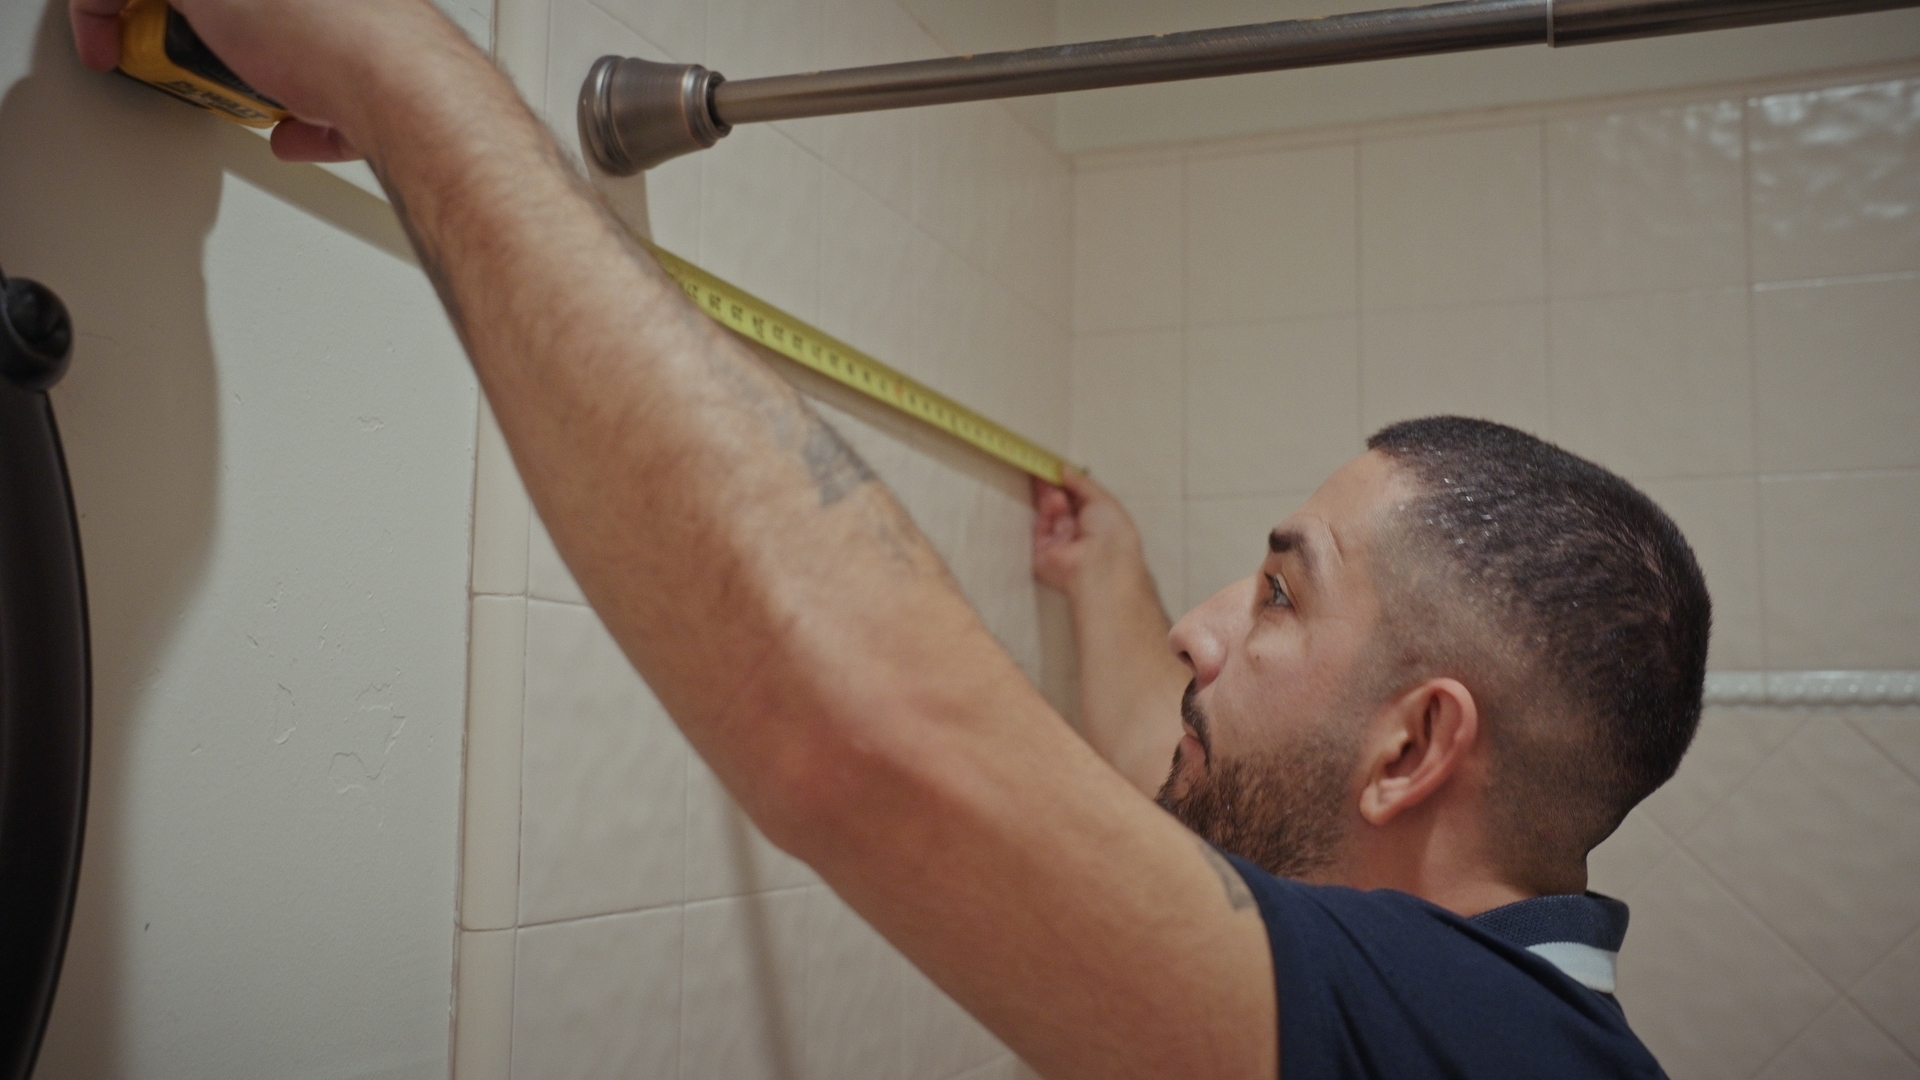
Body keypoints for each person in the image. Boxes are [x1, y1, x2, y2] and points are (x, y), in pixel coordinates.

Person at [69, 2, 1706, 1076]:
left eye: (1280, 591)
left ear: (1419, 743)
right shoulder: (1446, 971)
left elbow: (875, 739)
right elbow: (1179, 779)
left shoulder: (1483, 1052)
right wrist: (1113, 583)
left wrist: (391, 63)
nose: (1214, 627)